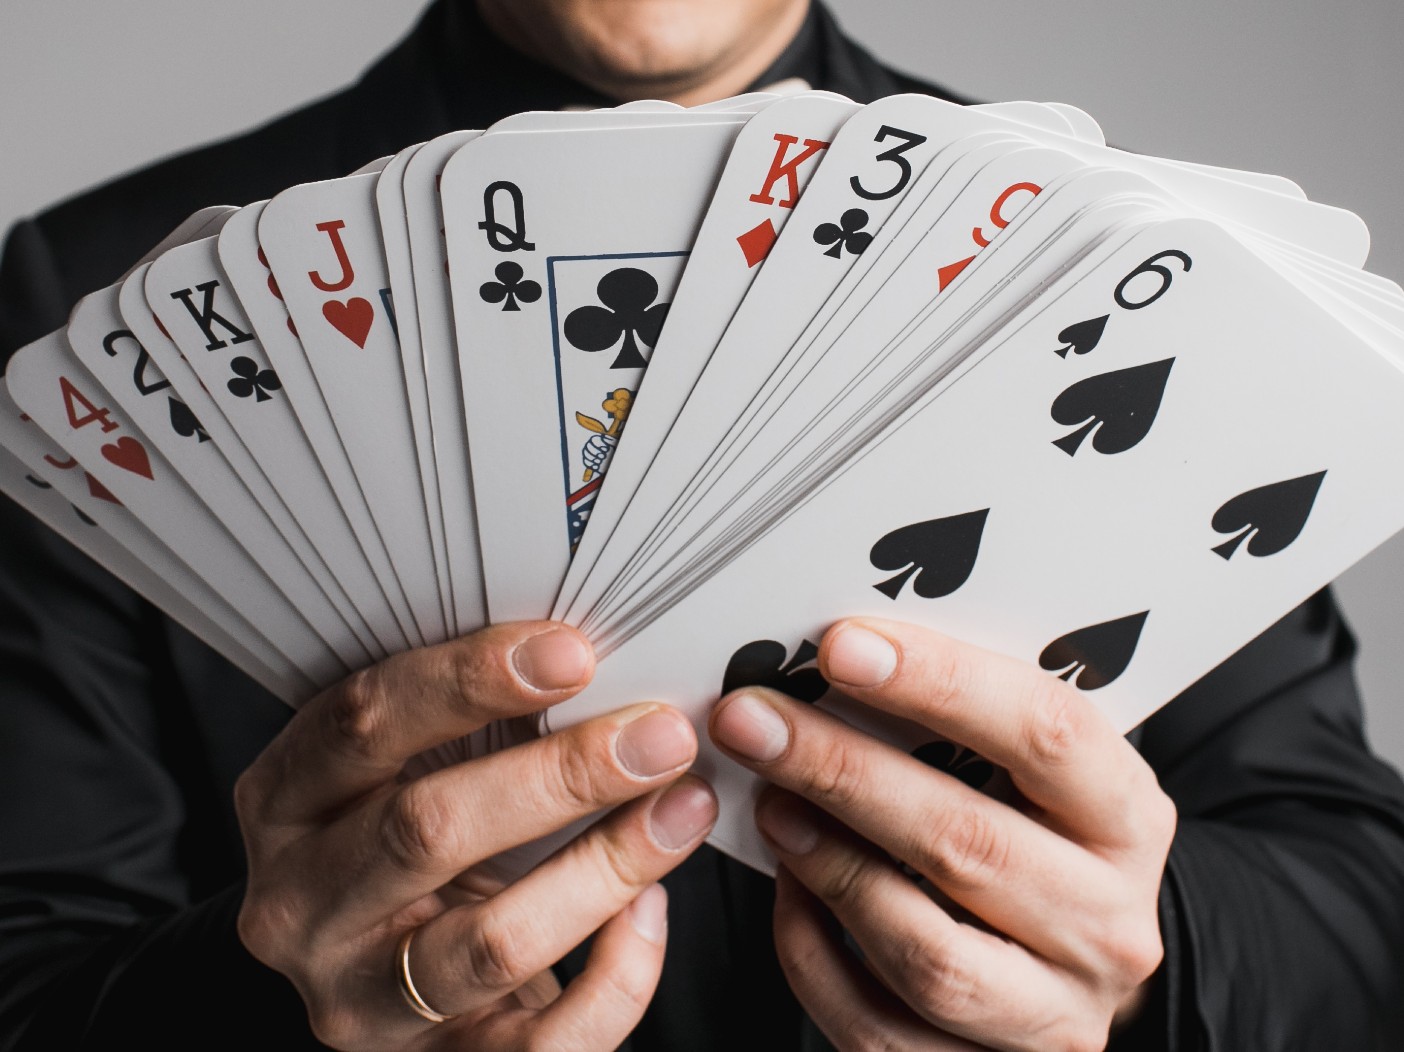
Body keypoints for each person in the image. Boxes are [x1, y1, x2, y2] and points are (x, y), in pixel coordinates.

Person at [1, 1, 1401, 1048]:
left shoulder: (1125, 255)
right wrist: (286, 1001)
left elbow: (1358, 911)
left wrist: (1139, 961)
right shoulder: (120, 318)